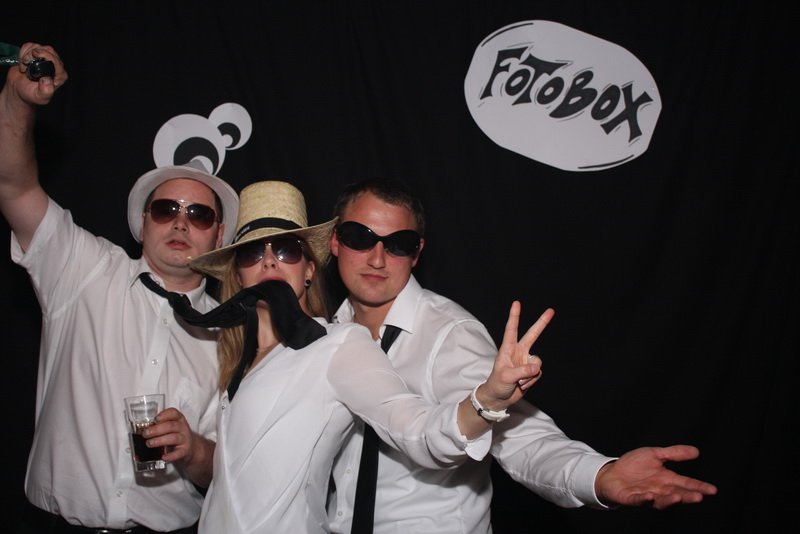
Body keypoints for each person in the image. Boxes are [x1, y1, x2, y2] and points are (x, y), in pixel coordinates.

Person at [326, 178, 719, 533]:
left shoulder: (449, 334)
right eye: (360, 237)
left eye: (398, 244)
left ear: (417, 253)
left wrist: (599, 476)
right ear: (335, 242)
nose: (377, 258)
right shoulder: (329, 334)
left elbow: (520, 437)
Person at [180, 180, 550, 533]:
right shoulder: (235, 357)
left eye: (285, 250)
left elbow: (412, 425)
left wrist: (484, 403)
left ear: (309, 268)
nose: (269, 263)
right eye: (252, 253)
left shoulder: (337, 344)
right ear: (238, 274)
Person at [1, 43, 239, 533]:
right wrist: (18, 102)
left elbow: (228, 470)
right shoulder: (84, 268)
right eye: (166, 209)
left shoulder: (228, 338)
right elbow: (14, 187)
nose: (180, 223)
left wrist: (193, 449)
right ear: (143, 223)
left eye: (198, 215)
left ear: (218, 235)